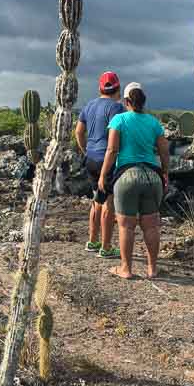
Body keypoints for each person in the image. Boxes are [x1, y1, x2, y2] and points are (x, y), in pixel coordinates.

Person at [98, 82, 169, 279]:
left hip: (127, 176)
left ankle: (126, 269)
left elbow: (112, 151)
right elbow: (164, 151)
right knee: (151, 225)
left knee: (126, 225)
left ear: (127, 101)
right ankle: (153, 269)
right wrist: (165, 172)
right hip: (152, 176)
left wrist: (103, 175)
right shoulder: (154, 123)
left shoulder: (119, 120)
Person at [75, 71, 124, 258]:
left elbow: (79, 131)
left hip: (91, 158)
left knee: (96, 200)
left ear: (100, 88)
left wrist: (85, 150)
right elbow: (118, 135)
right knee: (109, 202)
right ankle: (106, 246)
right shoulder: (117, 108)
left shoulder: (89, 106)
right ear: (117, 88)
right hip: (107, 159)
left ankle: (93, 240)